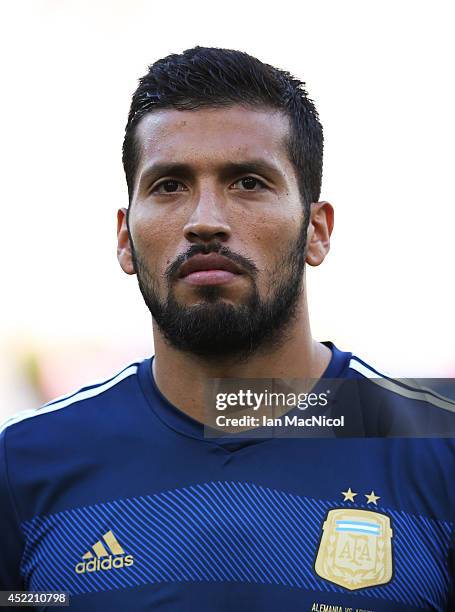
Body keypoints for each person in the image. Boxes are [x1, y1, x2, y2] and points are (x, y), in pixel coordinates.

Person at [1, 46, 454, 612]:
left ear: (316, 230)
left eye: (248, 182)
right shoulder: (21, 467)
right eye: (169, 185)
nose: (205, 220)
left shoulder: (439, 450)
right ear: (125, 238)